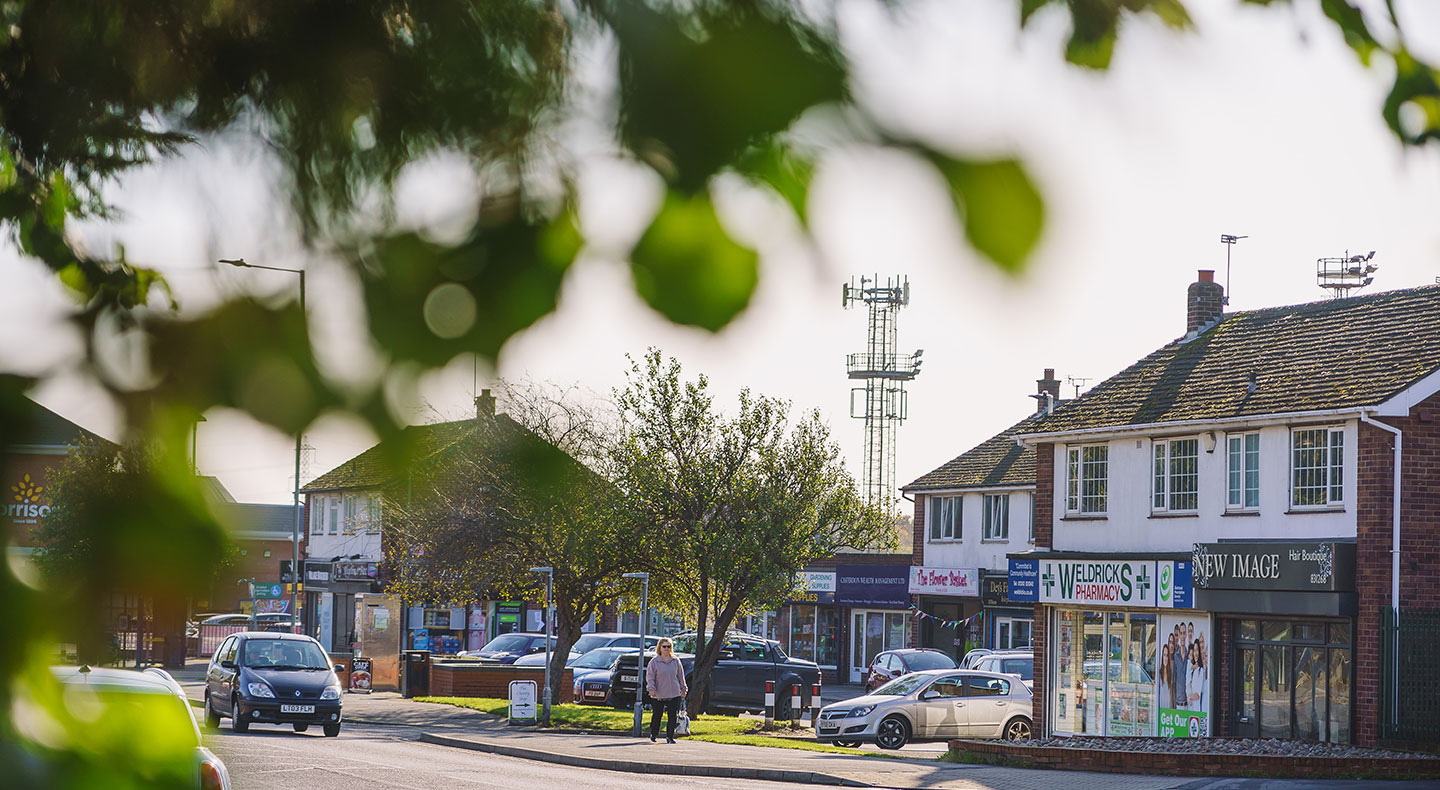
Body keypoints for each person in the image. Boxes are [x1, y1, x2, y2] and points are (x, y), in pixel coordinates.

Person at [646, 637, 688, 744]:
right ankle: (654, 734)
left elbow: (680, 676)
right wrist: (651, 688)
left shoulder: (675, 661)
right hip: (659, 693)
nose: (666, 649)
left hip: (674, 692)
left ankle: (670, 736)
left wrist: (683, 688)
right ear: (659, 648)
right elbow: (650, 677)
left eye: (668, 647)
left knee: (672, 716)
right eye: (664, 646)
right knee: (657, 715)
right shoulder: (654, 662)